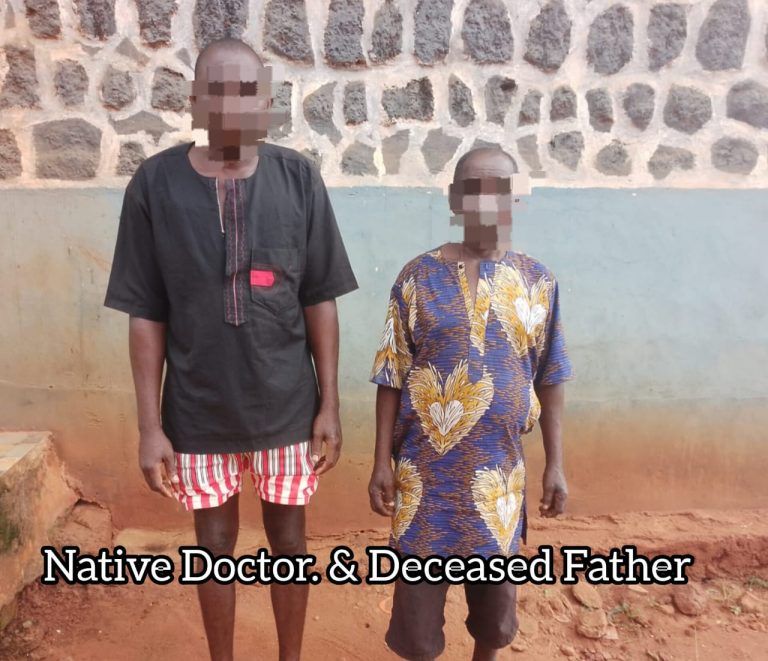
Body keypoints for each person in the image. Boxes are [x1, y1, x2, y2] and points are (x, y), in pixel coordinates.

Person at [104, 38, 358, 661]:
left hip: (287, 408)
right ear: (195, 101)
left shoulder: (298, 179)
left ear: (266, 101)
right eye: (217, 91)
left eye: (247, 91)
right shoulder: (155, 184)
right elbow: (146, 313)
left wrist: (328, 405)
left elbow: (319, 298)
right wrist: (149, 427)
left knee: (288, 543)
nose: (232, 104)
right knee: (213, 548)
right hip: (198, 411)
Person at [368, 147, 573, 660]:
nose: (487, 201)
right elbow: (391, 374)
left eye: (500, 189)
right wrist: (380, 463)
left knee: (494, 619)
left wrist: (556, 464)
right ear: (455, 199)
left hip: (498, 481)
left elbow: (551, 375)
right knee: (417, 627)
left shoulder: (539, 281)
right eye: (474, 189)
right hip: (424, 480)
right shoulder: (416, 277)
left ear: (515, 200)